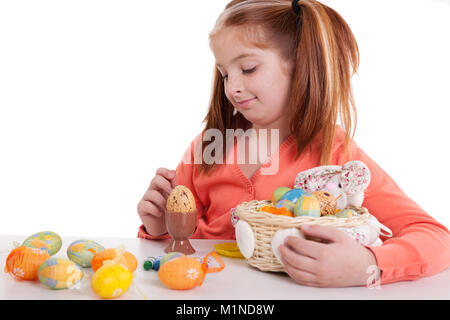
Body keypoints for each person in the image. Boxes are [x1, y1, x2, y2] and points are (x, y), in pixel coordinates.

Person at [137, 0, 450, 287]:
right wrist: (159, 227)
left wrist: (369, 263)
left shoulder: (336, 153)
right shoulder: (208, 147)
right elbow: (178, 249)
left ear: (301, 66)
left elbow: (436, 238)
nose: (232, 88)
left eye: (248, 69)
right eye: (224, 74)